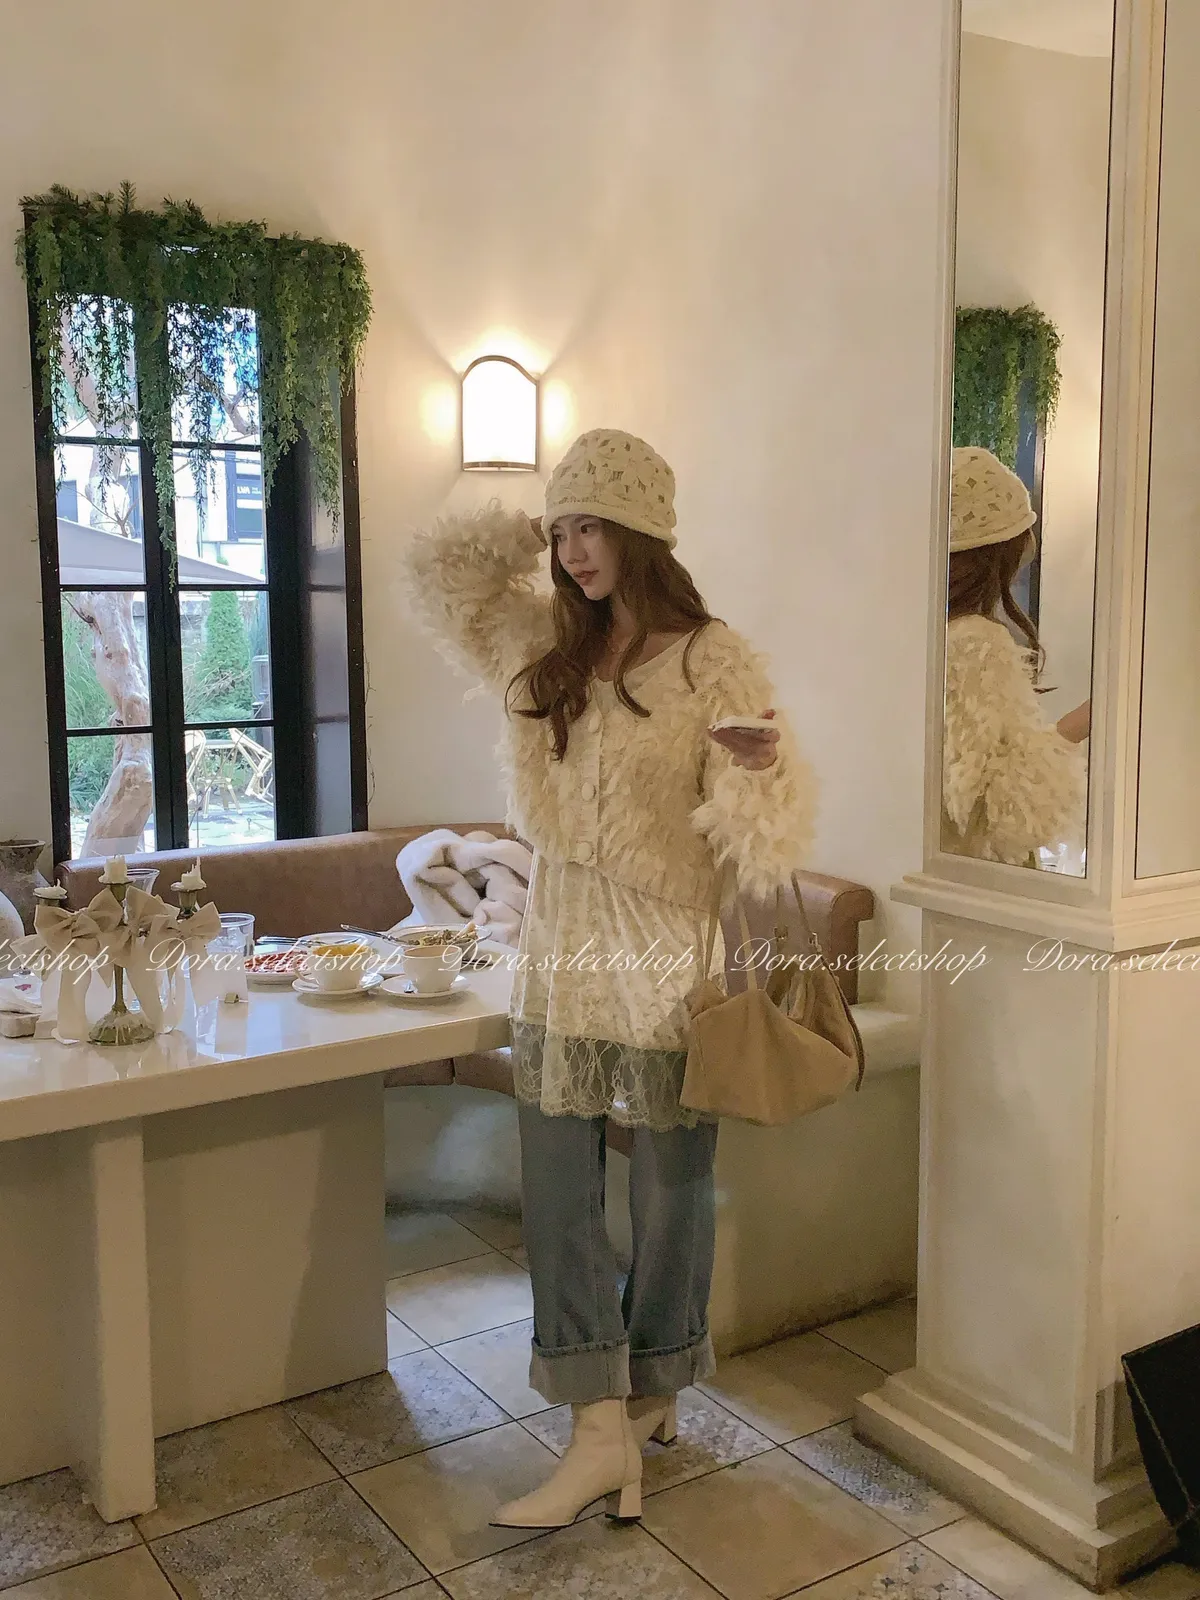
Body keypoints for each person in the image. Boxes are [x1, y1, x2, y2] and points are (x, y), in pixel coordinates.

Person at [400, 428, 816, 1527]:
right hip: (564, 932)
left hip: (665, 941)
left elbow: (763, 834)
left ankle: (659, 1382)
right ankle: (596, 1427)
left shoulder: (712, 655)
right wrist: (526, 515)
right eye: (563, 530)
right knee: (558, 1178)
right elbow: (437, 573)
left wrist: (763, 771)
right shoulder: (545, 640)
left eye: (594, 527)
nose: (574, 551)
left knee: (672, 1182)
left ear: (646, 533)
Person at [943, 446, 1090, 866]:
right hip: (971, 884)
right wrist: (1087, 718)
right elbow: (1004, 814)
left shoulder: (906, 635)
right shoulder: (972, 641)